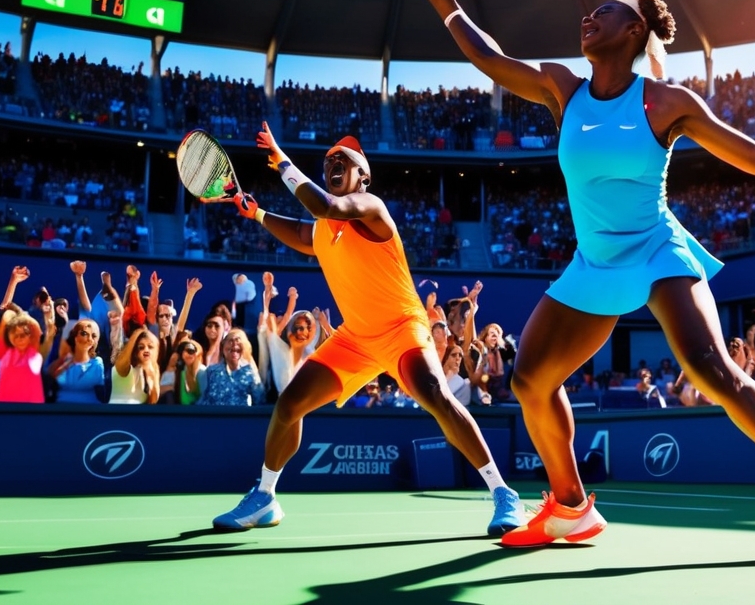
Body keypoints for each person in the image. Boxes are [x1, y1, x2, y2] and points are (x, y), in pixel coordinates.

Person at [408, 0, 755, 559]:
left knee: (711, 369)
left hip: (657, 250)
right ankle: (571, 507)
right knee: (529, 378)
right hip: (594, 262)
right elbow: (490, 60)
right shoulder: (561, 87)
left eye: (602, 12)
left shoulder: (664, 102)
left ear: (633, 30)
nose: (588, 17)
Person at [208, 126, 524, 538]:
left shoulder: (370, 207)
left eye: (344, 161)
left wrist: (282, 160)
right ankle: (265, 496)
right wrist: (258, 214)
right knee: (289, 405)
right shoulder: (323, 227)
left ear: (364, 176)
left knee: (435, 394)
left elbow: (322, 206)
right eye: (328, 163)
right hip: (355, 338)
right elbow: (305, 234)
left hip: (402, 327)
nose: (333, 164)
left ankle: (503, 493)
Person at [198, 328, 266, 406]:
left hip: (240, 416)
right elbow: (203, 400)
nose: (234, 344)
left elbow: (260, 401)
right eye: (230, 341)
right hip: (215, 416)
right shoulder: (211, 371)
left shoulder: (250, 373)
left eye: (238, 340)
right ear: (223, 347)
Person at [50, 319, 105, 404]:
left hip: (89, 410)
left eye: (94, 336)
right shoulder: (63, 361)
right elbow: (50, 378)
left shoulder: (97, 363)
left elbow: (86, 383)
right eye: (84, 334)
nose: (89, 339)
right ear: (75, 337)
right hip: (60, 409)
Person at [109, 328, 160, 404]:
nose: (146, 350)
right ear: (135, 350)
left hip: (137, 413)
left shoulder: (153, 369)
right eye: (141, 347)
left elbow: (153, 401)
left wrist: (152, 378)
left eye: (150, 347)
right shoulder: (125, 366)